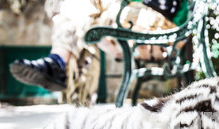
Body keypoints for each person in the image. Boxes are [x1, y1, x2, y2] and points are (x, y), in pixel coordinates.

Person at [10, 0, 187, 93]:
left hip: (160, 30)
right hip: (132, 21)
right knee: (82, 18)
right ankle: (58, 62)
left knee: (86, 22)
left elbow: (184, 30)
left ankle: (58, 63)